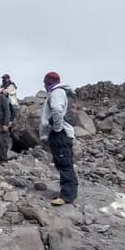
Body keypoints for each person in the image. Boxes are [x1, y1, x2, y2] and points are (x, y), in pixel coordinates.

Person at [39, 71, 78, 206]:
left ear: (49, 82)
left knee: (64, 164)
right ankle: (70, 193)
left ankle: (66, 196)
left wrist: (56, 128)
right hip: (64, 133)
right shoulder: (63, 92)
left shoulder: (56, 92)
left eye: (45, 82)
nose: (44, 85)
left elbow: (56, 110)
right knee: (66, 163)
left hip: (60, 134)